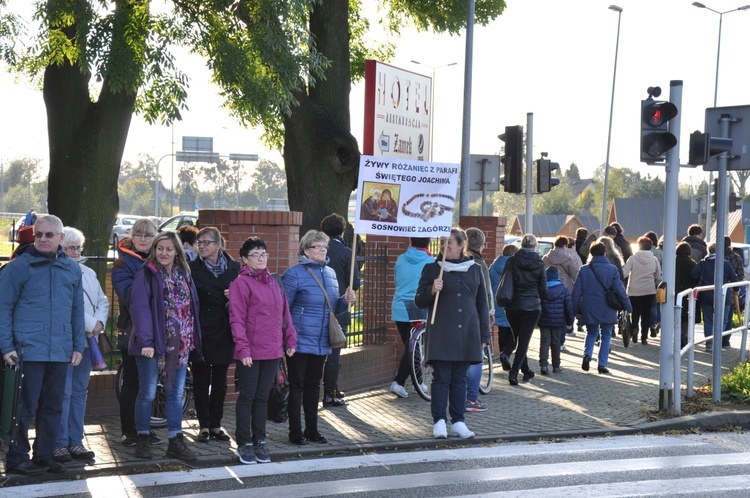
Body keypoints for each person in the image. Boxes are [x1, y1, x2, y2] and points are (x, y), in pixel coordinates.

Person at [0, 215, 85, 475]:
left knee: (53, 407)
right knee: (22, 408)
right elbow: (3, 307)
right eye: (39, 234)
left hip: (59, 351)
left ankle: (44, 455)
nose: (43, 239)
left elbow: (76, 311)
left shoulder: (71, 269)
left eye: (49, 235)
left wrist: (78, 346)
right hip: (27, 350)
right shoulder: (19, 267)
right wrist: (6, 347)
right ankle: (16, 458)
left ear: (61, 238)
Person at [129, 231, 202, 462]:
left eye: (169, 249)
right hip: (151, 345)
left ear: (177, 251)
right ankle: (142, 439)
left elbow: (191, 308)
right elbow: (140, 310)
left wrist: (192, 339)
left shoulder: (184, 274)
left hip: (179, 346)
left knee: (175, 394)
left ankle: (175, 441)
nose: (164, 253)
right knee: (148, 393)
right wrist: (147, 343)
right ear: (154, 250)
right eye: (160, 248)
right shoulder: (147, 274)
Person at [414, 228, 490, 439]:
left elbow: (482, 305)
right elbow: (419, 300)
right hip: (442, 333)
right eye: (442, 244)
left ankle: (458, 421)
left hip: (467, 333)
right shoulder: (432, 269)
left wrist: (485, 336)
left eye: (449, 243)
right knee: (441, 379)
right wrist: (431, 289)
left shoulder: (474, 269)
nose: (445, 247)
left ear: (461, 245)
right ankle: (439, 421)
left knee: (460, 380)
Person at [282, 230, 356, 445]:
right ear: (306, 250)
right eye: (317, 246)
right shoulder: (294, 273)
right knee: (297, 385)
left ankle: (312, 429)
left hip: (322, 339)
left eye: (324, 246)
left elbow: (334, 308)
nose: (323, 249)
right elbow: (283, 309)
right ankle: (295, 431)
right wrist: (288, 338)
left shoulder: (331, 273)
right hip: (299, 339)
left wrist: (345, 300)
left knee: (314, 385)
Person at [230, 237, 297, 464]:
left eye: (264, 254)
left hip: (272, 350)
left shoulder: (274, 282)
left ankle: (260, 441)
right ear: (244, 259)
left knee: (262, 398)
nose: (261, 258)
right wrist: (243, 348)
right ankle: (244, 443)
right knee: (247, 397)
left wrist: (290, 340)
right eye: (256, 255)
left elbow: (285, 315)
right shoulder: (241, 283)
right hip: (249, 352)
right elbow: (237, 319)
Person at [53, 227, 109, 463]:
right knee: (63, 393)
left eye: (77, 248)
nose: (75, 252)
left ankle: (76, 441)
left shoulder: (88, 272)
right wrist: (90, 323)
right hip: (67, 340)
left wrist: (99, 324)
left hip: (88, 340)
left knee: (79, 392)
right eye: (70, 248)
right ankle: (59, 443)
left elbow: (102, 301)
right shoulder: (56, 271)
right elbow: (66, 305)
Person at [112, 218, 161, 448]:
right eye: (139, 235)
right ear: (132, 237)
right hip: (132, 330)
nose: (143, 239)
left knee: (149, 383)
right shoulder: (123, 264)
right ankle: (128, 430)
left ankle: (144, 427)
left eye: (148, 235)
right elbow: (129, 296)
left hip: (157, 331)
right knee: (131, 382)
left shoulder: (160, 259)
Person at [189, 227, 241, 443]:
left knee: (220, 381)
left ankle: (216, 425)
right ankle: (203, 425)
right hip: (201, 329)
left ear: (219, 244)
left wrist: (235, 295)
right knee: (201, 380)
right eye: (199, 242)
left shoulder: (234, 267)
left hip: (224, 329)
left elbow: (246, 297)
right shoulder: (191, 268)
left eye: (207, 242)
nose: (202, 246)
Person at [319, 214, 360, 407]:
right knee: (334, 354)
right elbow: (356, 283)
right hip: (340, 308)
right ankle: (330, 392)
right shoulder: (346, 252)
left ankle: (320, 390)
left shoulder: (318, 251)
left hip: (319, 308)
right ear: (342, 231)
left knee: (318, 353)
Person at [573, 241, 632, 374]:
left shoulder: (584, 270)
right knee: (606, 335)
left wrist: (574, 309)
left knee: (591, 332)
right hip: (608, 307)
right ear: (604, 253)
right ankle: (602, 365)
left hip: (589, 306)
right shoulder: (612, 270)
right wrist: (628, 306)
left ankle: (587, 355)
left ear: (591, 253)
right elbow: (620, 290)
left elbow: (576, 292)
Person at [390, 237, 434, 398]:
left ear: (410, 242)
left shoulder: (401, 258)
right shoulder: (431, 261)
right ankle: (398, 382)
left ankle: (419, 381)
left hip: (399, 306)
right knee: (413, 348)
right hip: (417, 307)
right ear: (428, 243)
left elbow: (397, 280)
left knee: (411, 347)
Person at [503, 233, 546, 386]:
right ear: (535, 247)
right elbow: (543, 288)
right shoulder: (540, 263)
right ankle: (514, 373)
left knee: (518, 337)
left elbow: (505, 280)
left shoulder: (512, 260)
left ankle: (526, 370)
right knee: (524, 341)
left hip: (513, 305)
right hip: (532, 306)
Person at [465, 227, 493, 413]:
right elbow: (486, 291)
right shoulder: (479, 264)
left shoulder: (456, 261)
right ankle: (471, 399)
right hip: (475, 314)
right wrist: (490, 311)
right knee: (476, 357)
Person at [691, 242, 738, 351]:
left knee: (708, 321)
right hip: (723, 296)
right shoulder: (725, 264)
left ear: (709, 251)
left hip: (706, 296)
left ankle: (709, 344)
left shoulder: (703, 263)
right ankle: (717, 343)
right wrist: (736, 290)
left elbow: (693, 274)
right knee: (723, 320)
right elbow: (734, 279)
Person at [621, 236, 662, 345]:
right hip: (649, 290)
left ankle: (635, 328)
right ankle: (644, 338)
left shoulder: (632, 258)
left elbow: (624, 273)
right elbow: (658, 277)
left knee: (635, 312)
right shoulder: (654, 260)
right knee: (646, 314)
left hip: (634, 290)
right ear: (650, 247)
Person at [538, 266, 574, 375]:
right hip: (558, 321)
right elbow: (569, 308)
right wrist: (569, 322)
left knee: (544, 342)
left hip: (544, 320)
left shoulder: (541, 289)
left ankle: (544, 365)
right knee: (556, 342)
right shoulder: (564, 290)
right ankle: (556, 366)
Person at [489, 244, 520, 363]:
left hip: (498, 302)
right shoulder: (515, 266)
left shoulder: (493, 267)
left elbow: (489, 285)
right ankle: (506, 353)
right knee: (514, 333)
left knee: (502, 331)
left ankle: (503, 354)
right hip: (512, 302)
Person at [674, 241, 698, 348]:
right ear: (689, 252)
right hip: (687, 294)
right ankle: (683, 336)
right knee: (685, 317)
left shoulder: (672, 262)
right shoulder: (692, 263)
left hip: (673, 294)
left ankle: (677, 337)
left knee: (675, 316)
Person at [723, 236, 745, 348]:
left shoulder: (715, 255)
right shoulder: (736, 257)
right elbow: (741, 275)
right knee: (728, 316)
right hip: (731, 292)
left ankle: (712, 340)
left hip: (714, 291)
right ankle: (725, 341)